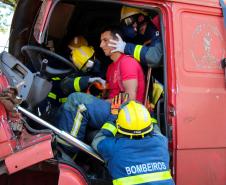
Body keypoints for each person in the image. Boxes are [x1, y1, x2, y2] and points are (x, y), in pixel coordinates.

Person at [54, 25, 146, 153]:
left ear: (117, 40)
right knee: (64, 107)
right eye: (101, 41)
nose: (101, 45)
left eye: (105, 40)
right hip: (113, 108)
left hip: (126, 112)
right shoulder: (111, 68)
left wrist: (105, 102)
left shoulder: (127, 62)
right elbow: (108, 94)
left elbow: (130, 98)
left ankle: (67, 152)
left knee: (77, 100)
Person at [92, 101, 175, 185]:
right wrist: (150, 113)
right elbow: (155, 128)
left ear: (119, 126)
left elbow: (98, 140)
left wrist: (113, 117)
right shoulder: (161, 142)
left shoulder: (115, 148)